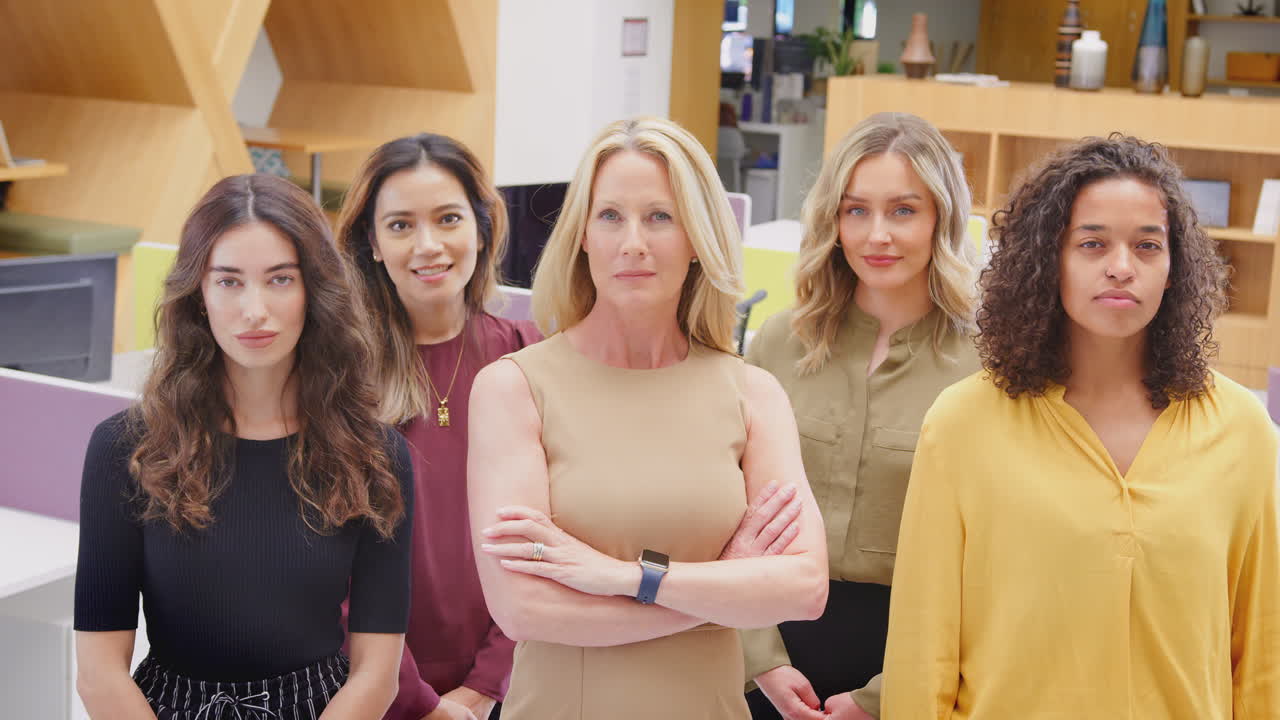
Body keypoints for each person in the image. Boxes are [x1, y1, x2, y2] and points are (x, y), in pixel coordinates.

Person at [882, 134, 1279, 718]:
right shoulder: (963, 423)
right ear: (1048, 261)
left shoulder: (1242, 429)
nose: (1122, 268)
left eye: (1148, 246)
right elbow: (923, 647)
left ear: (1174, 269)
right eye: (1092, 244)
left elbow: (1263, 649)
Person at [467, 116, 829, 720]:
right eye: (610, 216)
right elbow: (523, 609)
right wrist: (723, 588)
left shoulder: (753, 393)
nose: (632, 240)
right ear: (582, 235)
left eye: (659, 216)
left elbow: (804, 587)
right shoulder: (513, 388)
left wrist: (621, 577)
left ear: (696, 236)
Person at [73, 174, 414, 720]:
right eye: (229, 282)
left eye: (280, 280)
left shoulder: (375, 454)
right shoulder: (125, 449)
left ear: (313, 292)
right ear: (198, 296)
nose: (255, 310)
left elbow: (377, 673)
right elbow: (98, 673)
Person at [742, 112, 980, 720]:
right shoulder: (777, 343)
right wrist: (759, 658)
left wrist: (883, 696)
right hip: (769, 655)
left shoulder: (990, 366)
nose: (878, 235)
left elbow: (998, 557)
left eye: (904, 210)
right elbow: (726, 507)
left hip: (915, 664)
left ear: (941, 219)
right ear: (833, 220)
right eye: (856, 211)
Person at [336, 133, 541, 720]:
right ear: (372, 244)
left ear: (481, 227)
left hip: (516, 683)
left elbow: (551, 536)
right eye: (400, 225)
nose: (428, 245)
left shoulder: (531, 358)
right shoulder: (336, 377)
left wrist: (484, 687)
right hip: (371, 692)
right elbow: (333, 569)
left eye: (448, 218)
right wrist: (422, 704)